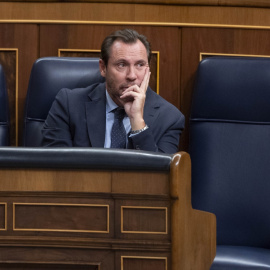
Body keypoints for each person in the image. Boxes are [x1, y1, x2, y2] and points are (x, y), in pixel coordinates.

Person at [41, 29, 185, 154]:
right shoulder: (68, 104)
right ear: (103, 68)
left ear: (148, 69)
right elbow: (55, 170)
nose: (132, 75)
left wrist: (137, 122)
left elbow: (160, 179)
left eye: (140, 65)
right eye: (122, 65)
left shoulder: (169, 118)